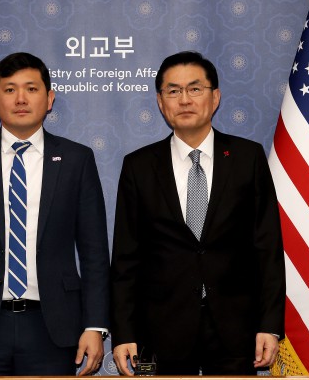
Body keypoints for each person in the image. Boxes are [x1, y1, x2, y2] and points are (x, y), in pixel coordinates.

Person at [0, 52, 110, 376]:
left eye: (32, 88)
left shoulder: (76, 159)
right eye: (10, 89)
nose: (21, 99)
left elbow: (94, 252)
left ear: (49, 98)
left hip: (54, 328)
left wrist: (95, 325)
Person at [110, 51, 285, 375]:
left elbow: (267, 248)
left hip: (236, 329)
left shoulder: (247, 158)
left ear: (215, 97)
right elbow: (126, 259)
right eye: (173, 91)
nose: (184, 100)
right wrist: (124, 332)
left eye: (195, 89)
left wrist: (270, 325)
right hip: (162, 330)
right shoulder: (139, 166)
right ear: (160, 102)